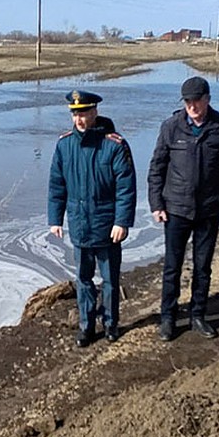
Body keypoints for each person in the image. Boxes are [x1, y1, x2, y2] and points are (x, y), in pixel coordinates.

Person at [147, 76, 219, 341]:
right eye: (187, 101)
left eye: (196, 100)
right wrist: (157, 204)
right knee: (172, 267)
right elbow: (157, 168)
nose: (192, 106)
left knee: (202, 267)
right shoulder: (171, 127)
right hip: (176, 209)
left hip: (209, 210)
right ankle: (168, 317)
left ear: (207, 99)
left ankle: (198, 315)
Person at [48, 89, 138, 347]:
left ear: (95, 112)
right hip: (79, 223)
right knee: (83, 279)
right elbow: (57, 184)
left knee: (110, 279)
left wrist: (122, 222)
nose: (79, 119)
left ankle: (111, 324)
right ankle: (86, 326)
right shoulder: (64, 145)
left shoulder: (114, 145)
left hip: (108, 225)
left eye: (84, 113)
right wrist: (55, 219)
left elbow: (126, 187)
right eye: (75, 114)